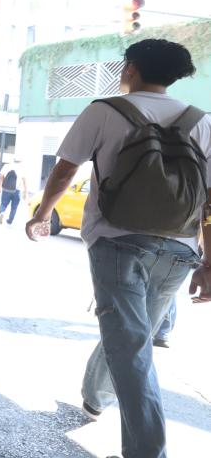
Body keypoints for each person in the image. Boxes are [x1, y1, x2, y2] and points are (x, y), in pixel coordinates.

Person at [25, 39, 211, 458]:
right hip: (179, 250)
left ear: (130, 68)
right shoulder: (202, 122)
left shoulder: (104, 110)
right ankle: (94, 395)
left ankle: (147, 453)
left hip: (118, 242)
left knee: (132, 347)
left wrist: (42, 215)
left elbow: (65, 168)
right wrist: (209, 260)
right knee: (131, 335)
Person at [0, 159, 28, 225]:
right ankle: (10, 220)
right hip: (17, 190)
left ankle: (2, 213)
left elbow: (1, 177)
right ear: (20, 161)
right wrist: (25, 192)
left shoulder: (7, 166)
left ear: (13, 160)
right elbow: (24, 181)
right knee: (14, 207)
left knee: (3, 203)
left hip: (6, 189)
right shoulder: (23, 168)